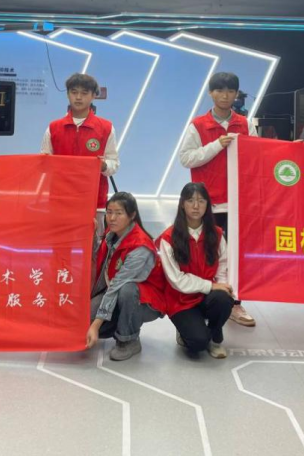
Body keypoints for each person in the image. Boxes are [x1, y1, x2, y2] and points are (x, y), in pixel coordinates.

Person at [179, 71, 257, 327]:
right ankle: (203, 302)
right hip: (207, 204)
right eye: (220, 90)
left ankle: (235, 303)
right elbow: (186, 158)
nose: (225, 96)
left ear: (236, 94)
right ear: (210, 93)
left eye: (230, 91)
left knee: (235, 256)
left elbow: (260, 156)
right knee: (207, 254)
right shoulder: (198, 125)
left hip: (237, 203)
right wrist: (217, 145)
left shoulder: (245, 124)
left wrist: (291, 150)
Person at [42, 73, 119, 248]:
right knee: (60, 247)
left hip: (94, 201)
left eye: (84, 93)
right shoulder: (53, 127)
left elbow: (114, 164)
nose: (78, 97)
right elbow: (44, 163)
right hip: (60, 200)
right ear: (67, 94)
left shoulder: (106, 127)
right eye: (74, 92)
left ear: (93, 96)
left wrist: (103, 165)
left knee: (93, 249)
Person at [158, 182, 235, 359]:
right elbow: (176, 280)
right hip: (181, 299)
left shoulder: (216, 234)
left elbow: (222, 266)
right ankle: (188, 330)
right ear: (182, 204)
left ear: (207, 205)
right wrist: (210, 285)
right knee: (198, 343)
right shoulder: (169, 238)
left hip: (207, 296)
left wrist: (221, 286)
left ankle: (215, 336)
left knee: (223, 299)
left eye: (201, 201)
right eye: (190, 200)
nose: (195, 206)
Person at [86, 192, 166, 361]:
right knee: (82, 324)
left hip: (146, 301)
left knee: (127, 290)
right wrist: (92, 236)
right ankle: (115, 323)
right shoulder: (112, 234)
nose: (112, 218)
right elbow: (98, 259)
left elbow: (117, 284)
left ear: (132, 215)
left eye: (119, 213)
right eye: (109, 212)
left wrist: (96, 325)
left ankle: (128, 340)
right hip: (114, 290)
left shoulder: (140, 247)